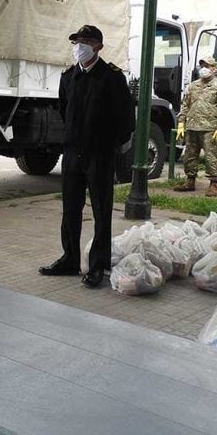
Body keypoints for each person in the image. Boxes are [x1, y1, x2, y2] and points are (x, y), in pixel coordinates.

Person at [39, 24, 135, 288]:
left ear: (98, 46)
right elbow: (64, 109)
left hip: (100, 154)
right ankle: (70, 259)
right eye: (77, 41)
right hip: (72, 152)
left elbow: (126, 117)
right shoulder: (69, 76)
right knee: (70, 209)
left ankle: (97, 265)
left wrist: (111, 145)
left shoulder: (112, 77)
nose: (79, 47)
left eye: (85, 41)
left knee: (101, 211)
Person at [173, 56, 217, 196]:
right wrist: (181, 124)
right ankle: (190, 181)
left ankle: (214, 184)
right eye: (202, 65)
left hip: (209, 128)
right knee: (189, 156)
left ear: (214, 69)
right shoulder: (193, 86)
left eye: (207, 66)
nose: (203, 68)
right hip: (192, 127)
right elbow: (185, 105)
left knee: (211, 157)